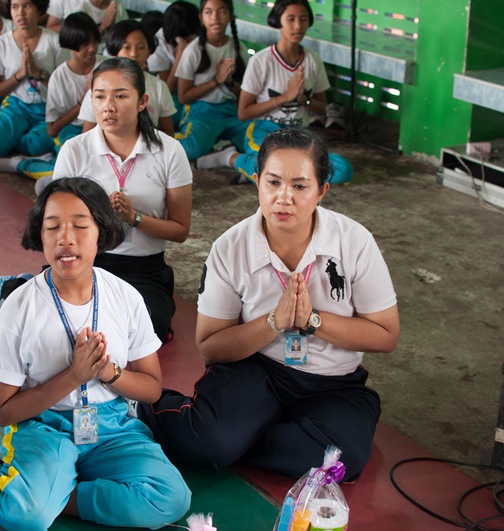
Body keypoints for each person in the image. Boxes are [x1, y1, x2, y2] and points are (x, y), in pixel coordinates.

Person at [139, 128, 399, 482]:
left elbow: (386, 335)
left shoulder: (354, 242)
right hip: (257, 370)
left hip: (333, 383)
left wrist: (313, 320)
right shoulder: (230, 247)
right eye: (273, 182)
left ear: (322, 190)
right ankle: (152, 412)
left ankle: (237, 436)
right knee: (210, 442)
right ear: (257, 181)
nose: (283, 198)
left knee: (340, 461)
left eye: (300, 186)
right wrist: (273, 323)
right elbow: (210, 347)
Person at [0, 177, 191, 530]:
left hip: (111, 427)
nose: (65, 238)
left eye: (80, 225)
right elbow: (1, 411)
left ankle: (57, 496)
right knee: (26, 518)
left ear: (101, 231)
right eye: (53, 226)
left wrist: (109, 373)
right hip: (46, 427)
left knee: (171, 497)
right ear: (40, 235)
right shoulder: (19, 308)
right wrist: (74, 376)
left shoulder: (125, 296)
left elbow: (151, 389)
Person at [54, 57, 192, 342]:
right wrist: (97, 214)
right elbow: (58, 222)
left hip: (144, 268)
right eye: (99, 96)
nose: (108, 106)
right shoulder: (74, 150)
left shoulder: (170, 151)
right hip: (86, 262)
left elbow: (180, 230)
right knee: (54, 320)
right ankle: (18, 284)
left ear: (142, 102)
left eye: (120, 96)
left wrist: (134, 218)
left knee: (150, 324)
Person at [199, 0, 352, 185]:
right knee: (277, 168)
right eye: (291, 19)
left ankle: (258, 173)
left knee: (343, 170)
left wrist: (303, 99)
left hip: (298, 135)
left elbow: (322, 109)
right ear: (278, 21)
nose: (298, 26)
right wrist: (285, 97)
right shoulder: (261, 60)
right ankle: (231, 157)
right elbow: (243, 112)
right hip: (265, 131)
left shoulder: (312, 60)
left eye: (303, 19)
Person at [0, 11, 101, 180]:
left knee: (36, 146)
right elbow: (54, 128)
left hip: (98, 129)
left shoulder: (105, 65)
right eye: (85, 44)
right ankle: (17, 164)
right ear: (71, 44)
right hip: (67, 129)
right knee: (69, 173)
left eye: (95, 42)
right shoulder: (59, 76)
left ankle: (40, 156)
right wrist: (85, 99)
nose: (92, 49)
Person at [0, 0, 61, 160]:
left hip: (47, 108)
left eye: (26, 6)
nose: (20, 12)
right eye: (14, 7)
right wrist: (18, 76)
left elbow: (64, 89)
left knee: (38, 145)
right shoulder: (1, 44)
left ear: (39, 9)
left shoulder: (55, 41)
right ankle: (7, 136)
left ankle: (12, 139)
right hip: (16, 105)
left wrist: (38, 73)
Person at [174, 0, 250, 166]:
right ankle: (167, 138)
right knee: (192, 148)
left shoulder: (239, 48)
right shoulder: (193, 50)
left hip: (230, 111)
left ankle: (219, 147)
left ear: (231, 16)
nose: (215, 17)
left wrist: (229, 82)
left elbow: (244, 94)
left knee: (260, 136)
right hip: (201, 111)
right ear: (201, 17)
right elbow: (183, 97)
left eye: (221, 11)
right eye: (208, 12)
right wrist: (216, 80)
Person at [78, 20, 176, 136]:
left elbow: (168, 132)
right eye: (127, 47)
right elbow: (87, 135)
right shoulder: (99, 87)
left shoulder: (159, 87)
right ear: (115, 51)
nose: (134, 54)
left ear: (149, 51)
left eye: (141, 47)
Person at [145, 1, 200, 129]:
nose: (190, 37)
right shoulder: (158, 43)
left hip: (195, 91)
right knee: (172, 115)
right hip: (173, 94)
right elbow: (168, 88)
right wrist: (180, 55)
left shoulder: (196, 34)